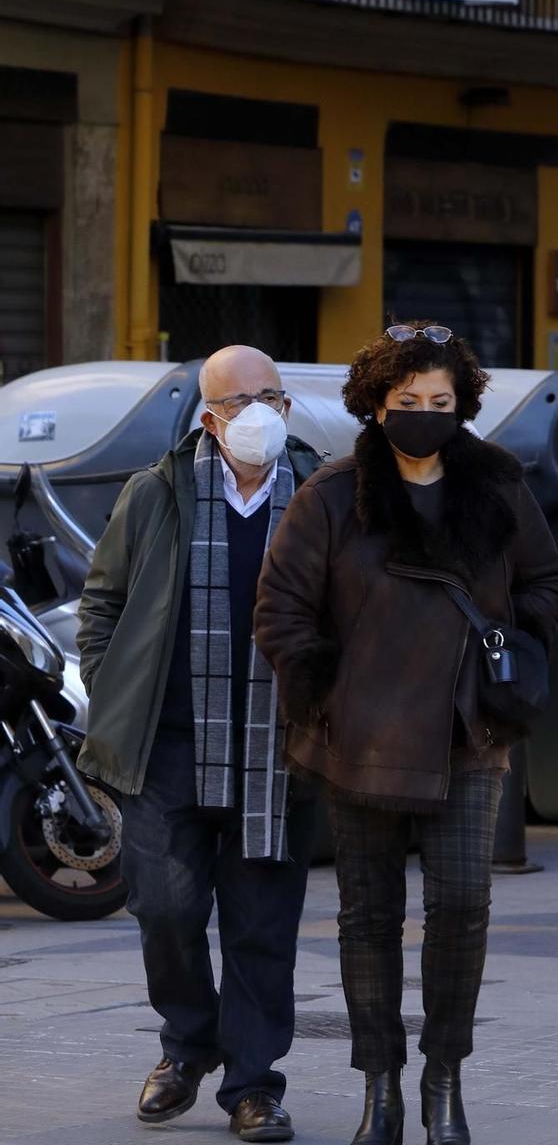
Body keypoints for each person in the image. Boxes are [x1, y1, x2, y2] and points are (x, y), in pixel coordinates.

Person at [254, 323, 558, 1145]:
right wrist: (322, 695)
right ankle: (381, 1087)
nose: (426, 415)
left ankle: (443, 1078)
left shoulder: (497, 486)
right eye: (408, 403)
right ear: (374, 406)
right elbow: (280, 610)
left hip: (469, 733)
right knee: (367, 917)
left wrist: (510, 653)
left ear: (462, 403)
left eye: (441, 402)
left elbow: (547, 581)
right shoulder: (329, 496)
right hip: (359, 740)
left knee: (463, 904)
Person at [77, 347, 325, 1143]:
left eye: (271, 396)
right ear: (209, 417)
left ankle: (253, 1086)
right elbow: (102, 601)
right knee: (166, 909)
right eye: (239, 399)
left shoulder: (322, 495)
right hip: (169, 744)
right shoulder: (155, 491)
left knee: (261, 923)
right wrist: (114, 687)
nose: (257, 412)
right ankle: (186, 1045)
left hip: (277, 749)